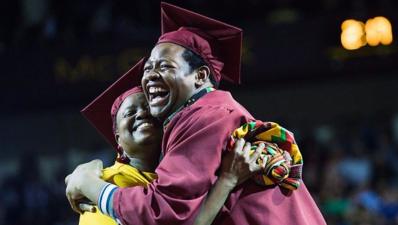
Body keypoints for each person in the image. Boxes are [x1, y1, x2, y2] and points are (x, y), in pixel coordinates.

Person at [66, 2, 326, 225]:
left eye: (164, 66)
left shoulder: (205, 117)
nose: (151, 76)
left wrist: (88, 183)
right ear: (116, 139)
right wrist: (227, 180)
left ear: (200, 76)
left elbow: (165, 213)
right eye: (148, 68)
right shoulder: (211, 116)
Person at [75, 59, 265, 225]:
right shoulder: (101, 183)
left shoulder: (185, 178)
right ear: (118, 141)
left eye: (149, 110)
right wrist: (227, 181)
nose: (142, 114)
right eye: (130, 113)